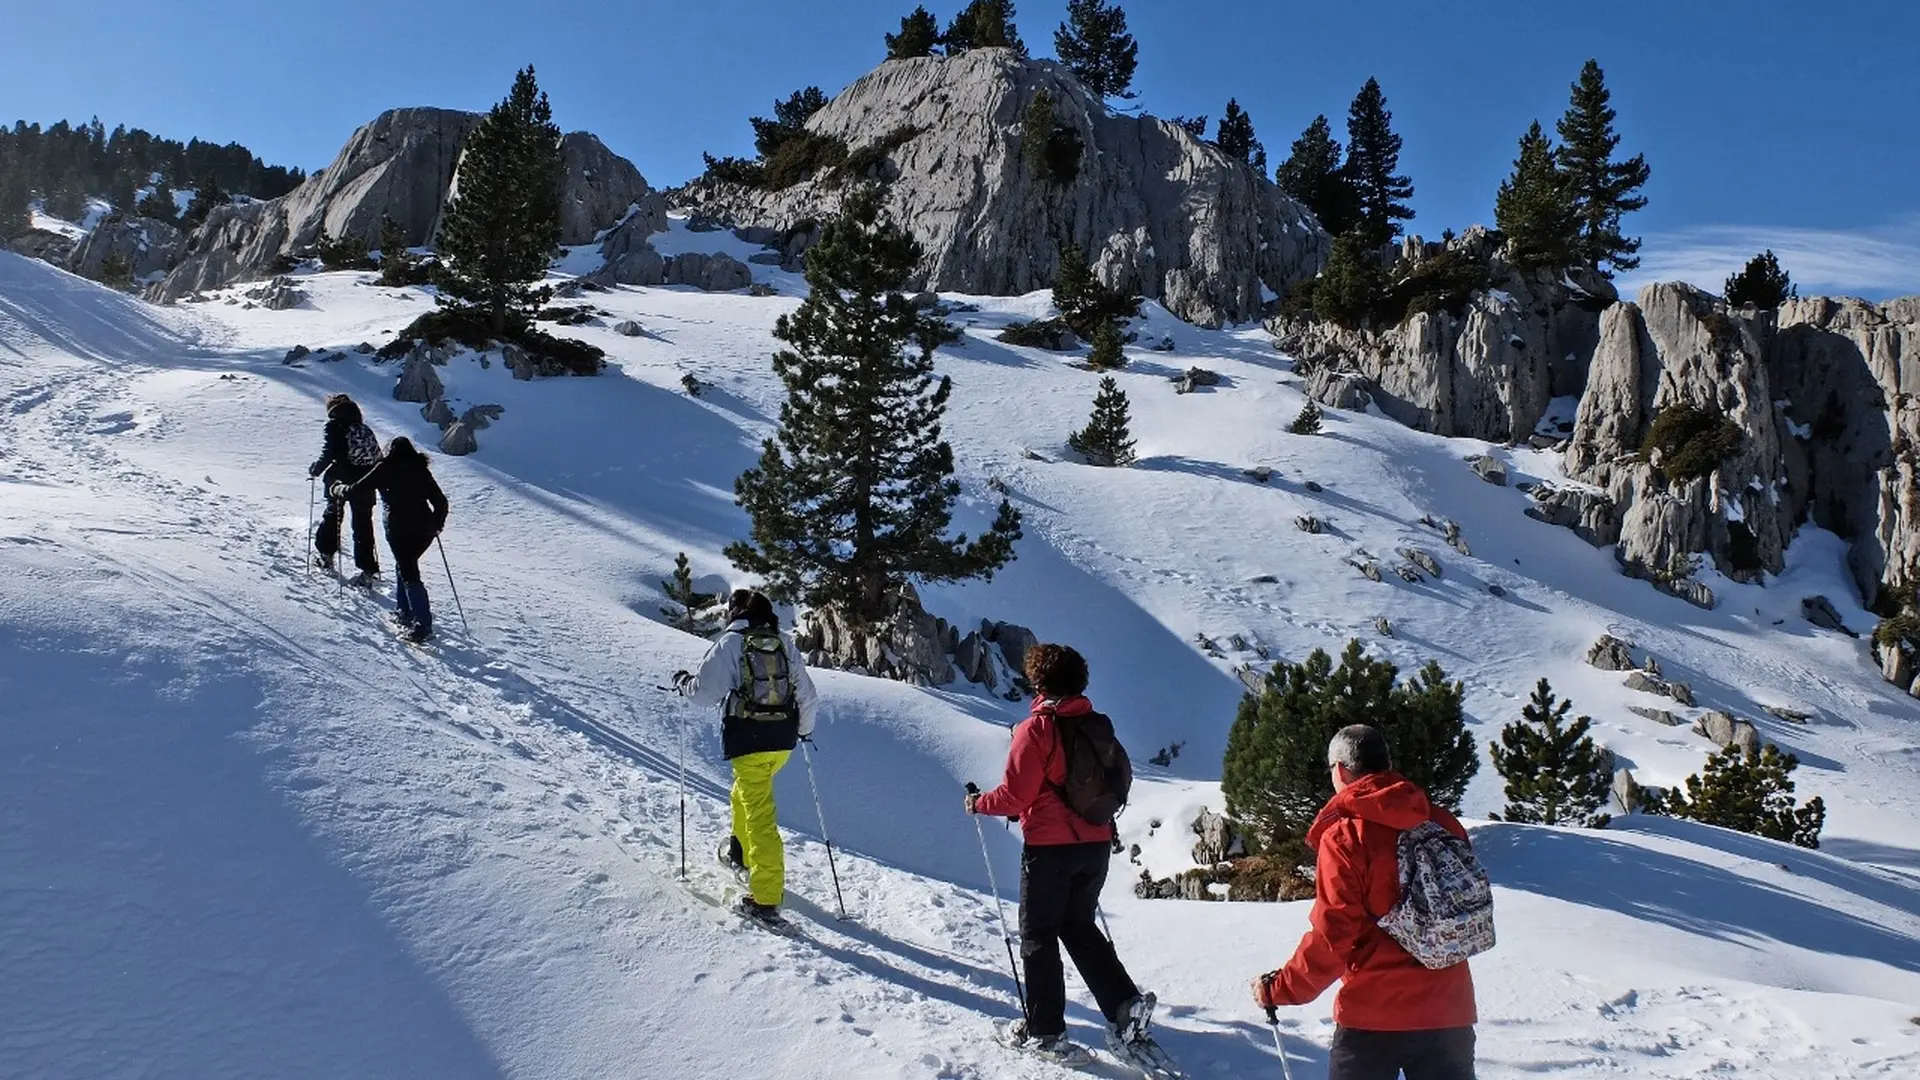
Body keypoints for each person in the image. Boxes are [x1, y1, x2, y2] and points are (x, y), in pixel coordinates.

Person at [1251, 724, 1479, 1080]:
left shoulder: (1345, 837)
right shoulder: (1443, 822)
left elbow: (1333, 937)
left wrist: (1279, 988)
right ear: (1386, 764)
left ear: (1340, 770)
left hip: (1373, 1016)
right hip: (1450, 1010)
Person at [967, 643, 1158, 1067]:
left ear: (1038, 681)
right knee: (1079, 926)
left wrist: (979, 803)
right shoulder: (1096, 723)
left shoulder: (1036, 729)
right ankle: (1124, 1005)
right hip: (1095, 844)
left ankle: (1046, 1031)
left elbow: (1015, 796)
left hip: (1050, 851)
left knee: (1038, 937)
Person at [672, 590, 818, 929]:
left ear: (736, 613)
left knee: (760, 813)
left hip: (748, 738)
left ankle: (765, 899)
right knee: (744, 794)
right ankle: (742, 853)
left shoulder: (731, 642)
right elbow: (808, 695)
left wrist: (683, 684)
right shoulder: (783, 643)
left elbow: (705, 692)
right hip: (782, 742)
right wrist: (803, 731)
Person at [336, 437, 448, 643]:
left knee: (409, 573)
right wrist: (436, 524)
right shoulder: (421, 470)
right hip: (424, 530)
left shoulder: (385, 468)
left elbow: (357, 489)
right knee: (406, 566)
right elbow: (441, 502)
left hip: (399, 529)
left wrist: (339, 489)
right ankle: (404, 612)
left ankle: (423, 626)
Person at [307, 393, 382, 585]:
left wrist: (316, 469)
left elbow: (330, 452)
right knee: (363, 524)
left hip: (339, 479)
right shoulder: (363, 427)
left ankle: (326, 555)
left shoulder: (335, 425)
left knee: (333, 516)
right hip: (365, 480)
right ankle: (368, 569)